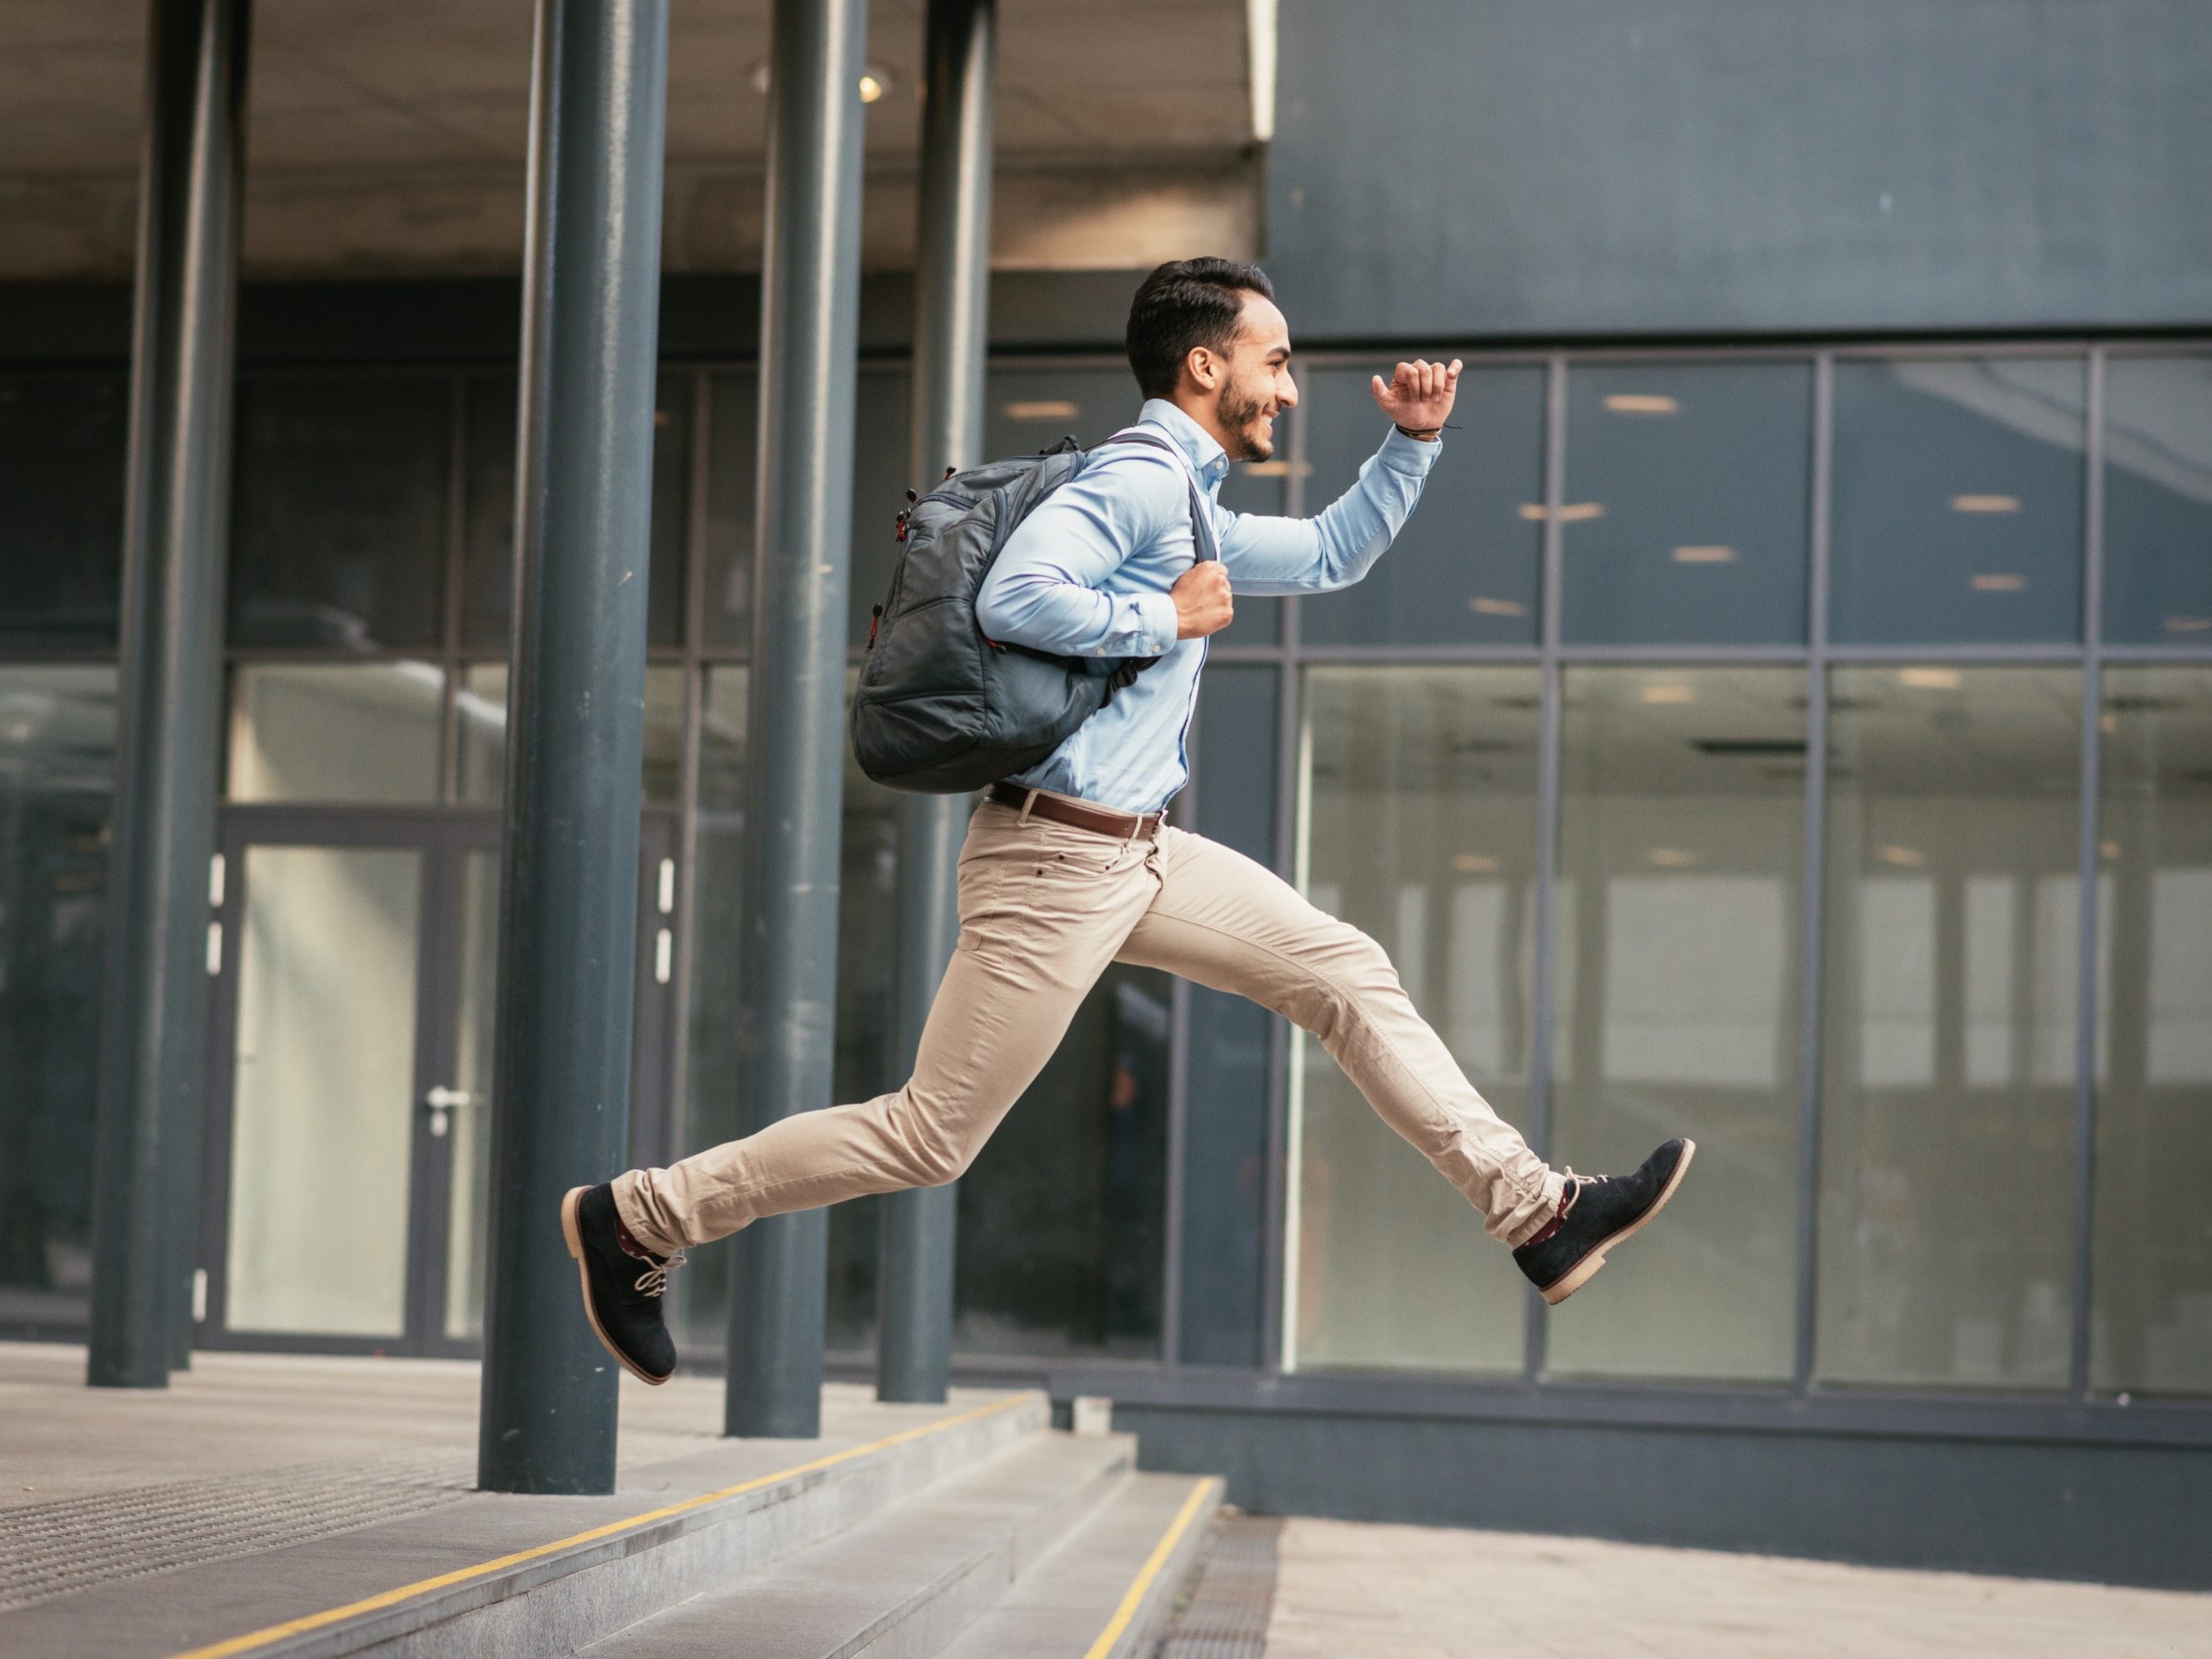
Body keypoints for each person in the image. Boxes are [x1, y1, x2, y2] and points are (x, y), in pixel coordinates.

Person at [561, 258, 1693, 1385]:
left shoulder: (1188, 497)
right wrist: (1163, 614)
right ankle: (641, 1218)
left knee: (1345, 973)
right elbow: (1017, 594)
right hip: (1056, 858)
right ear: (1207, 365)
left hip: (1139, 852)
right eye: (1276, 361)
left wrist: (1411, 443)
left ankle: (1538, 1212)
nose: (1289, 389)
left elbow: (1333, 553)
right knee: (928, 1135)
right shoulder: (1143, 481)